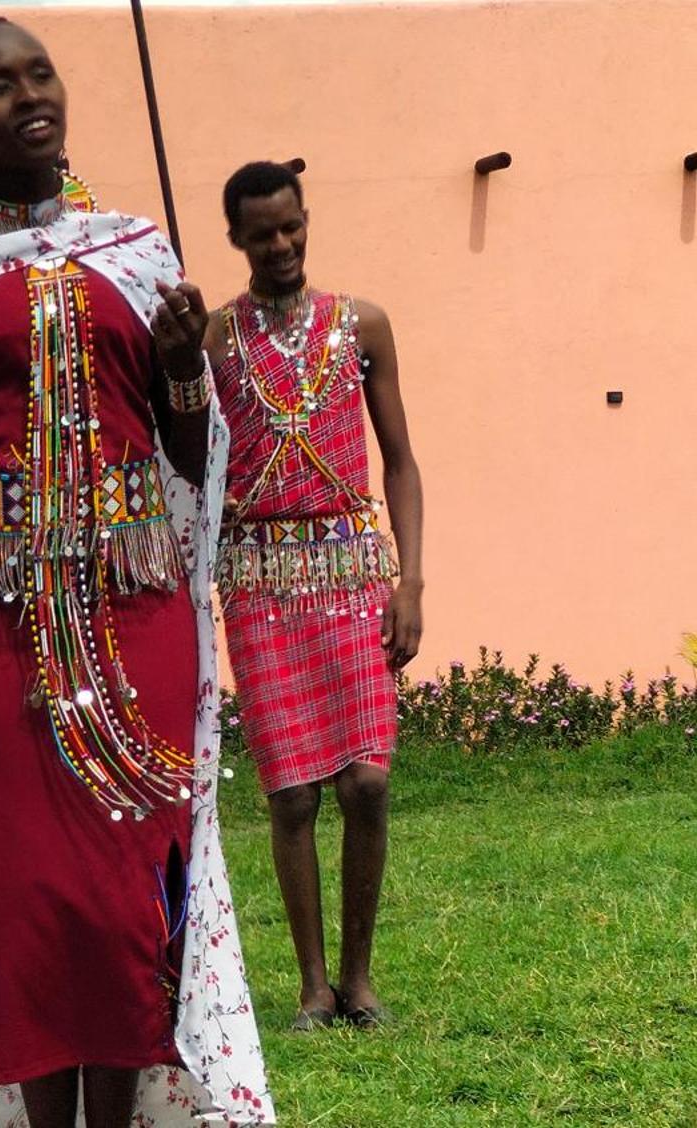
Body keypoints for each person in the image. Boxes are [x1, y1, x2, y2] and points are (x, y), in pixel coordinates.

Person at [0, 18, 271, 1128]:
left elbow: (192, 461)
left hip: (134, 614)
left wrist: (184, 368)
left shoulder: (138, 254)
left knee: (129, 909)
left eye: (37, 74)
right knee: (23, 917)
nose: (27, 98)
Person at [207, 160, 424, 1032]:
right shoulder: (216, 339)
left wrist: (412, 579)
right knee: (292, 793)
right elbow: (189, 453)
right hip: (258, 580)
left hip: (351, 570)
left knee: (367, 783)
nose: (283, 244)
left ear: (306, 218)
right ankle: (311, 987)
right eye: (263, 233)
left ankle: (361, 981)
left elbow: (401, 461)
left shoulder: (361, 323)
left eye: (292, 226)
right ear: (238, 240)